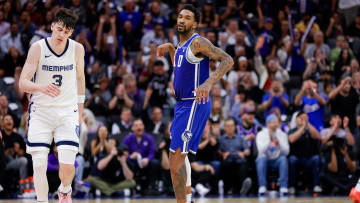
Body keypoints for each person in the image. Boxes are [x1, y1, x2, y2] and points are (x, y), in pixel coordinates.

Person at [156, 4, 233, 203]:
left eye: (187, 17)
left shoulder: (197, 42)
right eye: (180, 16)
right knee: (179, 156)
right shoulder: (181, 46)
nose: (181, 20)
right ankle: (187, 199)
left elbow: (228, 60)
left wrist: (208, 83)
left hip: (194, 103)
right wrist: (172, 50)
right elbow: (182, 69)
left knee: (176, 162)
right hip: (182, 105)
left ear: (195, 23)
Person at [18, 8, 85, 203]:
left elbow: (81, 79)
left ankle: (65, 189)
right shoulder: (38, 48)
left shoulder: (77, 49)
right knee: (39, 163)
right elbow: (23, 82)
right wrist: (41, 87)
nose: (61, 35)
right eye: (59, 29)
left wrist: (79, 111)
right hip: (41, 112)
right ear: (52, 26)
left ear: (71, 32)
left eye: (66, 31)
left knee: (67, 166)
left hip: (67, 111)